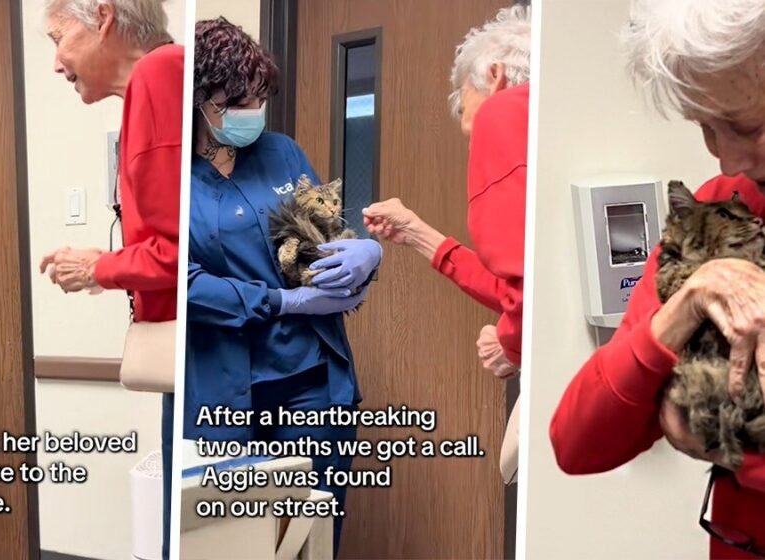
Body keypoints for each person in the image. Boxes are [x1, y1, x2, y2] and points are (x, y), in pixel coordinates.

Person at [550, 0, 765, 557]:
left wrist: (727, 448)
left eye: (749, 126)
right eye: (705, 127)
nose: (727, 161)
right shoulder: (719, 213)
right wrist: (679, 311)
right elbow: (577, 445)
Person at [184, 17, 381, 556]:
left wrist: (363, 252)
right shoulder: (169, 176)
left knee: (311, 542)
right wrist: (281, 300)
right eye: (236, 101)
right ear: (200, 101)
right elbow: (185, 285)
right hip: (226, 395)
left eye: (257, 98)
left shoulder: (282, 153)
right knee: (236, 545)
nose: (251, 112)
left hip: (313, 384)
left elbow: (321, 245)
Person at [361, 5, 530, 484]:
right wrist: (416, 232)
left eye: (472, 129)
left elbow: (520, 293)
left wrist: (511, 341)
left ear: (495, 76)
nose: (476, 143)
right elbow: (520, 281)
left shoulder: (505, 113)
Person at [37, 1, 182, 558]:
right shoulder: (162, 77)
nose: (56, 63)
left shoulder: (158, 74)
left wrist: (101, 266)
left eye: (58, 38)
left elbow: (180, 253)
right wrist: (109, 262)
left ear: (102, 18)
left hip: (202, 355)